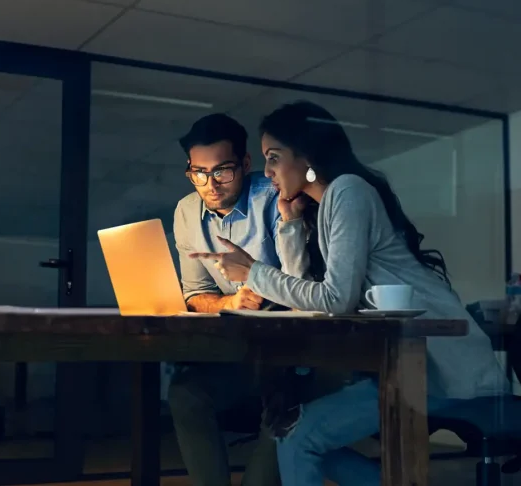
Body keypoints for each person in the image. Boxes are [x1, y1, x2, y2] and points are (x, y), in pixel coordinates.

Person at [189, 100, 508, 486]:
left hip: (439, 370)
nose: (267, 171)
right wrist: (289, 223)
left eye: (274, 158)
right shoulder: (326, 206)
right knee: (291, 436)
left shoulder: (348, 192)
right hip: (403, 369)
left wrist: (253, 272)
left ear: (306, 155)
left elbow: (335, 298)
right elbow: (299, 293)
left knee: (296, 436)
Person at [169, 113, 312, 486]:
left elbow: (305, 284)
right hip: (237, 354)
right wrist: (228, 304)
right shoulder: (186, 212)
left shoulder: (276, 195)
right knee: (185, 393)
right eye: (198, 173)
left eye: (222, 171)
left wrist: (261, 285)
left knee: (282, 403)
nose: (210, 185)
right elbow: (195, 294)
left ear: (246, 164)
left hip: (291, 357)